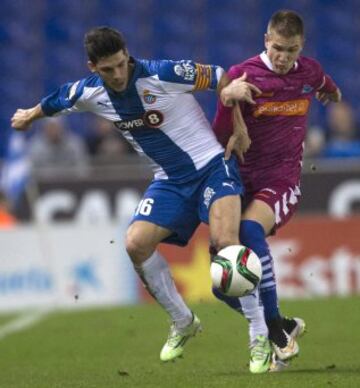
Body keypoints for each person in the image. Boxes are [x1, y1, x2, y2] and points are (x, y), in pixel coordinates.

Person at [11, 26, 258, 363]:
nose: (117, 74)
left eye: (120, 64)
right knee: (135, 243)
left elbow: (220, 77)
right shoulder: (89, 92)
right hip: (169, 181)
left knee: (227, 245)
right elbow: (57, 99)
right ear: (92, 67)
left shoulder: (163, 73)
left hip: (213, 166)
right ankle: (182, 320)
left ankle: (260, 334)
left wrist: (238, 126)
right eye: (107, 69)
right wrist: (29, 115)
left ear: (127, 55)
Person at [212, 9, 342, 372]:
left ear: (302, 47)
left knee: (252, 231)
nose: (285, 58)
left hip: (281, 179)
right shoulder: (242, 75)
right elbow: (221, 137)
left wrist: (331, 92)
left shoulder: (309, 71)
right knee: (222, 284)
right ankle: (281, 324)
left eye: (293, 50)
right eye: (280, 48)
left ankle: (273, 333)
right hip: (240, 182)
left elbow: (323, 82)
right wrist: (227, 99)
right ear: (267, 41)